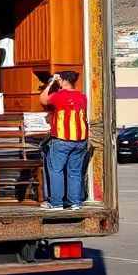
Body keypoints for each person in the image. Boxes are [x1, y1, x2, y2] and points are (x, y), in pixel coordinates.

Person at [39, 71, 88, 211]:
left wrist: (50, 83)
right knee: (75, 172)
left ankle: (56, 203)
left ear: (63, 80)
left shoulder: (59, 96)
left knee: (56, 171)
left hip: (62, 139)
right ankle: (75, 203)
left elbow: (42, 99)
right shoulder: (82, 97)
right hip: (80, 140)